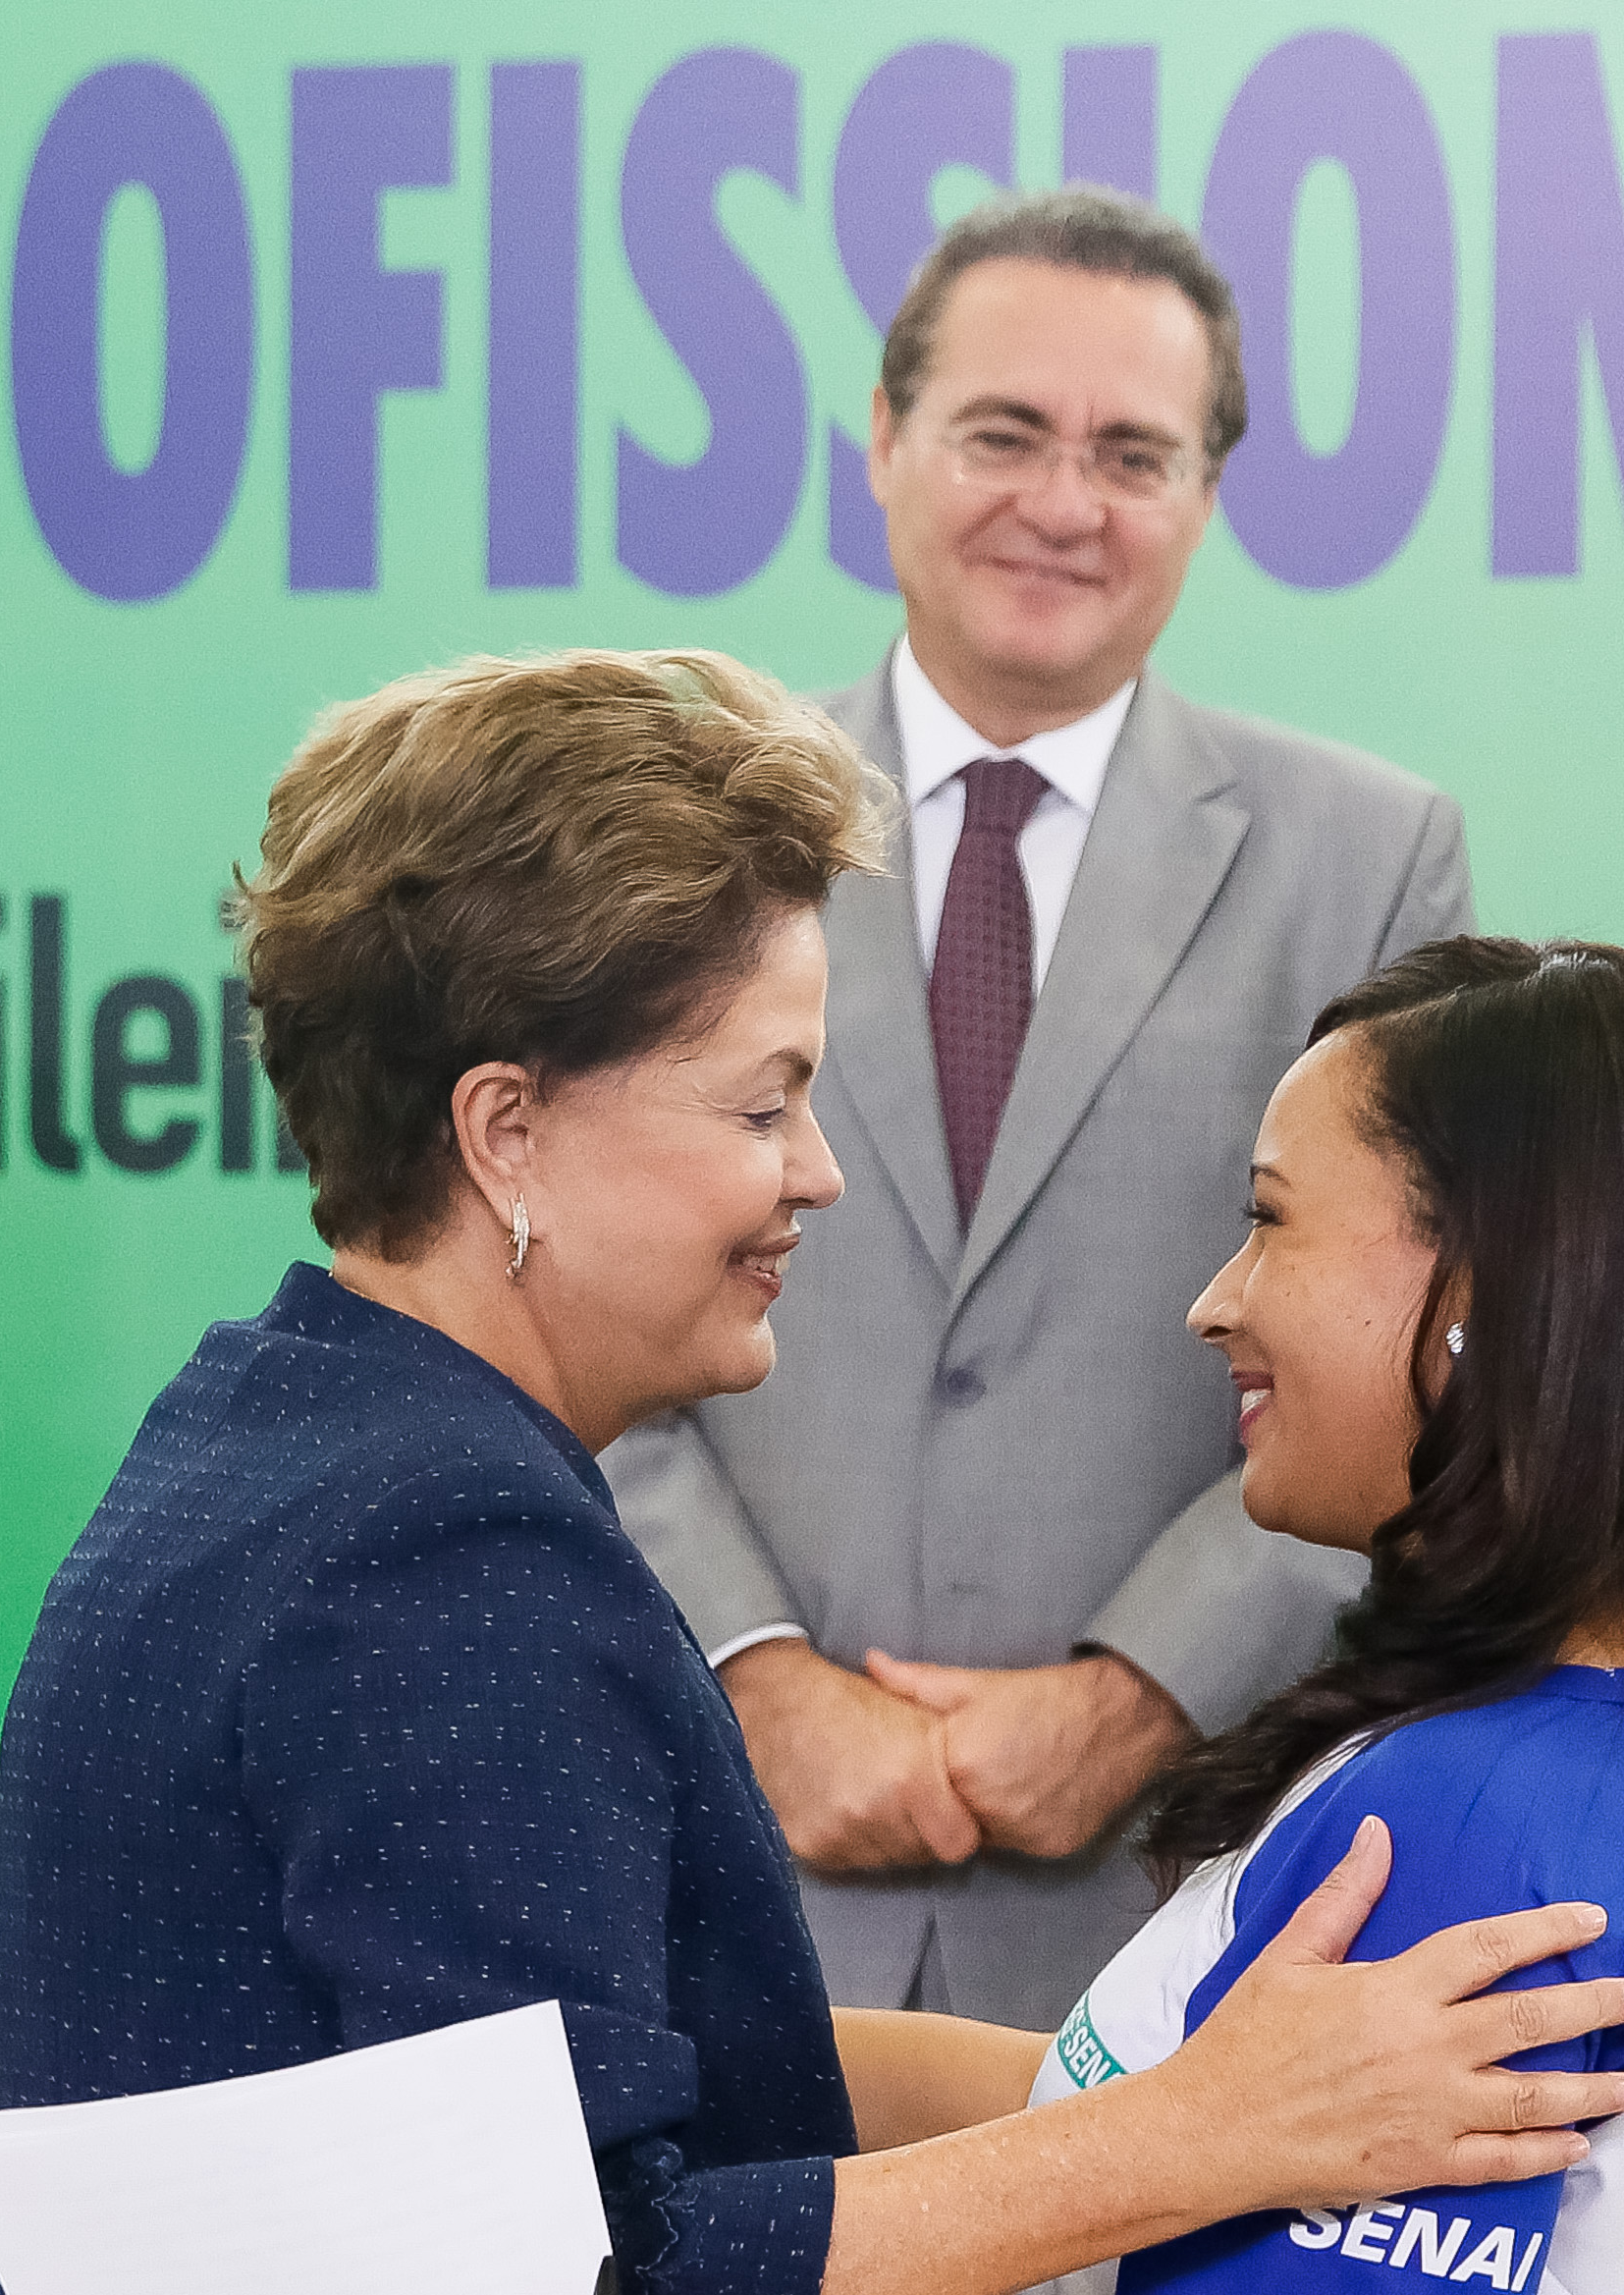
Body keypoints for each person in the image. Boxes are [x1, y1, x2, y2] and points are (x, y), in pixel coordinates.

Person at [0, 651, 1624, 2295]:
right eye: (762, 1108)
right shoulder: (442, 1562)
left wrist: (1161, 2071)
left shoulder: (294, 1423)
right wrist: (1197, 2134)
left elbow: (623, 2060)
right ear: (504, 1132)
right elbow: (599, 2262)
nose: (816, 1174)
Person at [606, 185, 1475, 2034]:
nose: (1062, 503)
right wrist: (754, 1678)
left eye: (1131, 452)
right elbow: (546, 1265)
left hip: (1163, 1895)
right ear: (884, 440)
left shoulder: (1372, 861)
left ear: (1207, 495)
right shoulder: (671, 819)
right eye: (1004, 432)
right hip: (718, 1870)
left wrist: (1136, 1694)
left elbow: (1412, 1338)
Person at [1030, 939, 1624, 2292]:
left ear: (1492, 1294)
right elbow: (1130, 2120)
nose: (1215, 1301)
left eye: (1268, 1218)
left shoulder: (1468, 1826)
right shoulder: (1513, 1754)